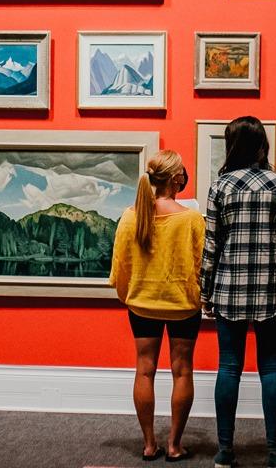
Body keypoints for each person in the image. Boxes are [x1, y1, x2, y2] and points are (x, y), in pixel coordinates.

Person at [202, 117, 276, 468]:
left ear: (232, 146)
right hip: (273, 286)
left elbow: (212, 245)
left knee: (229, 368)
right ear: (263, 145)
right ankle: (275, 452)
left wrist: (205, 290)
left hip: (229, 286)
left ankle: (225, 451)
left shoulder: (221, 187)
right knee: (271, 369)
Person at [110, 150, 203, 462]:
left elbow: (119, 266)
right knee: (182, 370)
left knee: (145, 370)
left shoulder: (130, 216)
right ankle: (175, 446)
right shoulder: (191, 219)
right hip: (184, 306)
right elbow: (202, 264)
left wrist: (130, 296)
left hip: (142, 305)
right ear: (177, 179)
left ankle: (149, 445)